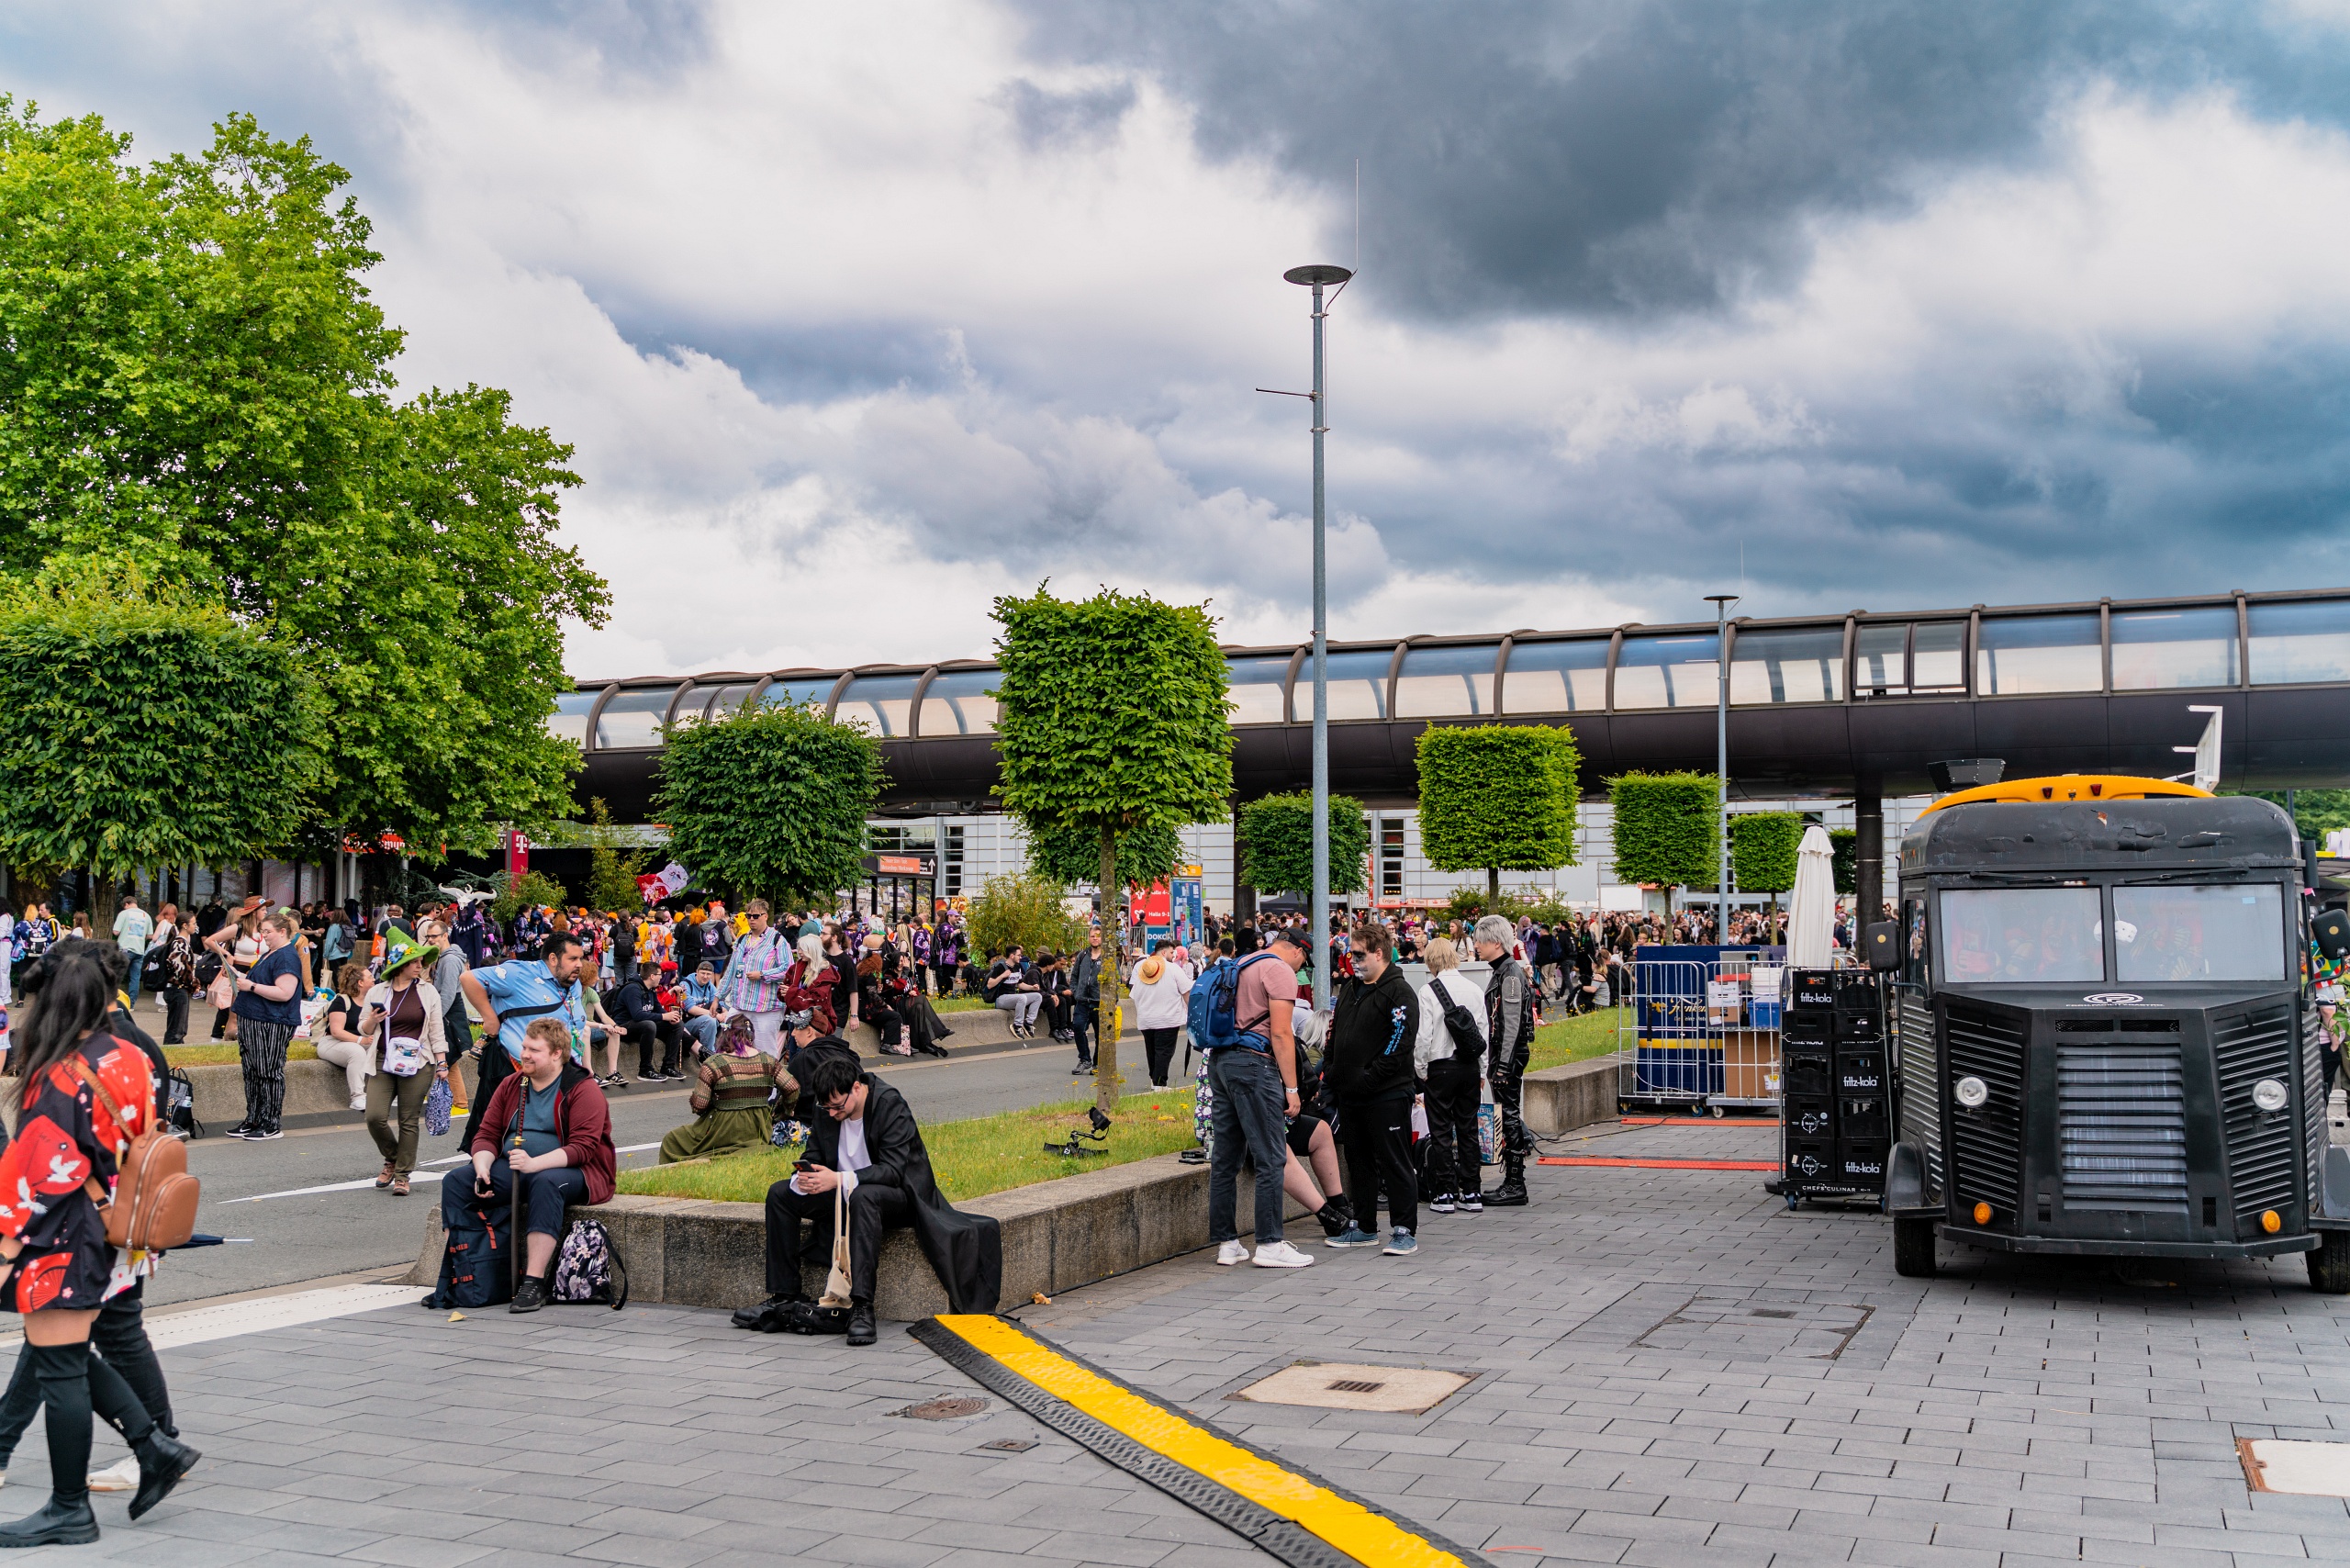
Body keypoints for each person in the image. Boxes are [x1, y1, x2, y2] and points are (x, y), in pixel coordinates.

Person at [0, 950, 199, 1543]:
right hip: (114, 1221)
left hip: (63, 1232)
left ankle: (69, 1508)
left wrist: (6, 1249)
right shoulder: (130, 1055)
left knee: (62, 1366)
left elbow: (36, 1174)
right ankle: (153, 1445)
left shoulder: (57, 1075)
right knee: (68, 1353)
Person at [733, 1047, 1002, 1346]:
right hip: (844, 1194)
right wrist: (806, 1177)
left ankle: (862, 1307)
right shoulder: (828, 1109)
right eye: (827, 1108)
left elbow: (894, 1171)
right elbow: (814, 1154)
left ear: (857, 1088)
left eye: (837, 1107)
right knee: (780, 1193)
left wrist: (838, 1179)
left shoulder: (889, 1104)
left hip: (898, 1197)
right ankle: (784, 1294)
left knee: (864, 1196)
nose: (832, 1114)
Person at [453, 1018, 618, 1313]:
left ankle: (533, 1282)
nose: (525, 1055)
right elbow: (487, 1134)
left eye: (534, 1050)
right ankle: (465, 1273)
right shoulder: (512, 1084)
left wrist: (534, 1164)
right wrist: (482, 1166)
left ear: (557, 1054)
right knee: (457, 1181)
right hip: (517, 1166)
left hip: (578, 1172)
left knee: (546, 1182)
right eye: (524, 1047)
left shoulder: (582, 1089)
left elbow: (583, 1148)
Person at [1205, 927, 1318, 1270]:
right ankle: (1269, 1244)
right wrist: (1292, 1088)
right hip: (1255, 1066)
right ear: (1297, 950)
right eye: (1304, 961)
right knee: (1271, 1157)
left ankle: (1228, 1244)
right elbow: (1281, 1033)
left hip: (1220, 1062)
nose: (1300, 968)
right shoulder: (1279, 970)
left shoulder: (1242, 963)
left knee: (1225, 1158)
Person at [1324, 920, 1421, 1255]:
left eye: (1359, 955)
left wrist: (1369, 1078)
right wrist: (1332, 1068)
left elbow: (1399, 1043)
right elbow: (1336, 1032)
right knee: (1359, 1161)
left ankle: (1404, 1229)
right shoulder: (1351, 988)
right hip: (1351, 1093)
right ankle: (1365, 1226)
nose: (1353, 960)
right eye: (1351, 954)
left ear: (1379, 954)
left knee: (1394, 1160)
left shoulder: (1399, 992)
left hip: (1386, 1092)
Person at [458, 933, 588, 1153]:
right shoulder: (519, 973)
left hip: (560, 1074)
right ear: (553, 959)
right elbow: (469, 979)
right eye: (573, 959)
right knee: (497, 1139)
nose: (579, 965)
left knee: (553, 1140)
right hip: (515, 1069)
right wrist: (489, 1017)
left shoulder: (573, 984)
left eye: (580, 959)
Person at [354, 933, 452, 1197]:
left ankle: (402, 1175)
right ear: (400, 964)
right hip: (382, 1060)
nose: (420, 966)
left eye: (422, 962)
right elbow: (363, 1028)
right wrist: (373, 1020)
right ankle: (393, 1157)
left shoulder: (427, 991)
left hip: (417, 1063)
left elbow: (436, 1030)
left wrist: (442, 1063)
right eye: (415, 961)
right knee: (374, 1116)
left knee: (408, 1120)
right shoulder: (378, 991)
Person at [658, 1012, 797, 1164]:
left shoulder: (714, 1063)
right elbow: (792, 1088)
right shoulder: (768, 1060)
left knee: (672, 1140)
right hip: (759, 1127)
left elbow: (699, 1105)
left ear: (725, 1035)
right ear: (751, 1036)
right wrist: (781, 1112)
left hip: (723, 1129)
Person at [1415, 936, 1487, 1215]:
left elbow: (1423, 1036)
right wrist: (1482, 1070)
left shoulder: (1428, 991)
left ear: (1431, 960)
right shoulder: (1474, 989)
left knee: (1441, 1131)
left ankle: (1444, 1193)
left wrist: (1421, 1069)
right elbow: (1482, 1034)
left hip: (1440, 1066)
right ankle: (1472, 1191)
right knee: (1468, 1129)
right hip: (1469, 1067)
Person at [223, 910, 304, 1139]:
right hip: (254, 1019)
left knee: (268, 1072)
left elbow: (285, 992)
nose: (264, 935)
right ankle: (254, 1118)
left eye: (267, 931)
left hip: (272, 1021)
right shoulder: (271, 953)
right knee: (252, 1072)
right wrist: (241, 978)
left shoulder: (286, 957)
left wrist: (251, 986)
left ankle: (271, 1122)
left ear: (282, 931)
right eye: (262, 931)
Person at [1473, 913, 1536, 1208]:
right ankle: (1513, 1182)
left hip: (1507, 1056)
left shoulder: (1509, 974)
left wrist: (1501, 1067)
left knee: (1509, 1115)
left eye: (1480, 941)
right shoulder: (1505, 971)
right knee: (1509, 1114)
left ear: (1496, 943)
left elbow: (1511, 1026)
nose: (1476, 946)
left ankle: (1515, 1184)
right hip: (1505, 1055)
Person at [712, 901, 795, 1058]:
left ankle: (768, 1074)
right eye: (748, 916)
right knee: (729, 1045)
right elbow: (731, 971)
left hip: (766, 1007)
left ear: (765, 916)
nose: (751, 919)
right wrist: (717, 998)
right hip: (740, 1003)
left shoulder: (778, 940)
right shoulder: (742, 939)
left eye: (756, 916)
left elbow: (788, 970)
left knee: (765, 1052)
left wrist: (763, 975)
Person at [315, 961, 375, 1112]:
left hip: (359, 1043)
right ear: (360, 983)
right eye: (370, 977)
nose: (374, 979)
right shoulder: (341, 1001)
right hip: (332, 1043)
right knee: (357, 1052)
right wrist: (362, 1040)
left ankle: (389, 1094)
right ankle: (357, 1098)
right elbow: (336, 1031)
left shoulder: (372, 1003)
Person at [1130, 940, 1192, 1088]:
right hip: (1168, 1018)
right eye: (1171, 952)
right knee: (1164, 1052)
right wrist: (1192, 1013)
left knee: (1151, 1051)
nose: (1173, 955)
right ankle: (1160, 1084)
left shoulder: (1143, 969)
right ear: (1164, 952)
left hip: (1146, 1019)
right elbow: (1187, 992)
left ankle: (1154, 1080)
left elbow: (1134, 995)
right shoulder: (1173, 969)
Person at [609, 965, 677, 1083]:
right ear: (652, 976)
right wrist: (663, 1017)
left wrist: (670, 1017)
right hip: (623, 1027)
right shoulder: (633, 989)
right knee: (649, 1025)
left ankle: (668, 1067)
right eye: (660, 975)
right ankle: (645, 1069)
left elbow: (657, 1009)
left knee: (676, 1025)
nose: (661, 978)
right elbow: (637, 1015)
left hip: (642, 1026)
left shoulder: (651, 989)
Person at [986, 947, 1043, 1037]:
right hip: (1001, 999)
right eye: (1019, 955)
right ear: (1012, 956)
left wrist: (1032, 987)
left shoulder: (1017, 967)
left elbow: (1020, 984)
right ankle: (1017, 1025)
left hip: (1012, 998)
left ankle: (1028, 1023)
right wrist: (1002, 976)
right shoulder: (1000, 967)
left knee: (1037, 996)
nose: (1021, 957)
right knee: (1022, 998)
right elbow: (989, 985)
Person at [1069, 929, 1104, 1071]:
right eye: (1092, 936)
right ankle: (1084, 1059)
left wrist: (1113, 1001)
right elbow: (1074, 975)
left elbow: (1116, 979)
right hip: (1082, 1001)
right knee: (1078, 1028)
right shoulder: (1082, 955)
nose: (1095, 938)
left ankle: (1098, 1063)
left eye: (1098, 936)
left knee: (1100, 1034)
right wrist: (1075, 991)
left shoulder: (1108, 957)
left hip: (1099, 1002)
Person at [677, 959, 724, 1058]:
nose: (705, 976)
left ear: (712, 975)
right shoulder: (685, 985)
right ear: (697, 972)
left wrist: (725, 1013)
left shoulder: (710, 986)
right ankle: (708, 1056)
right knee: (710, 1020)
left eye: (708, 974)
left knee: (727, 1021)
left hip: (704, 1019)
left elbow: (720, 1005)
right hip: (687, 1022)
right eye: (703, 973)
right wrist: (715, 1015)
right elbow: (690, 1009)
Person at [109, 899, 151, 1006]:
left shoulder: (124, 914)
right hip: (140, 950)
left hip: (125, 948)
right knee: (135, 978)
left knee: (117, 975)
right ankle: (131, 1004)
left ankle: (114, 1001)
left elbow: (116, 932)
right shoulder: (146, 915)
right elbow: (150, 935)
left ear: (126, 904)